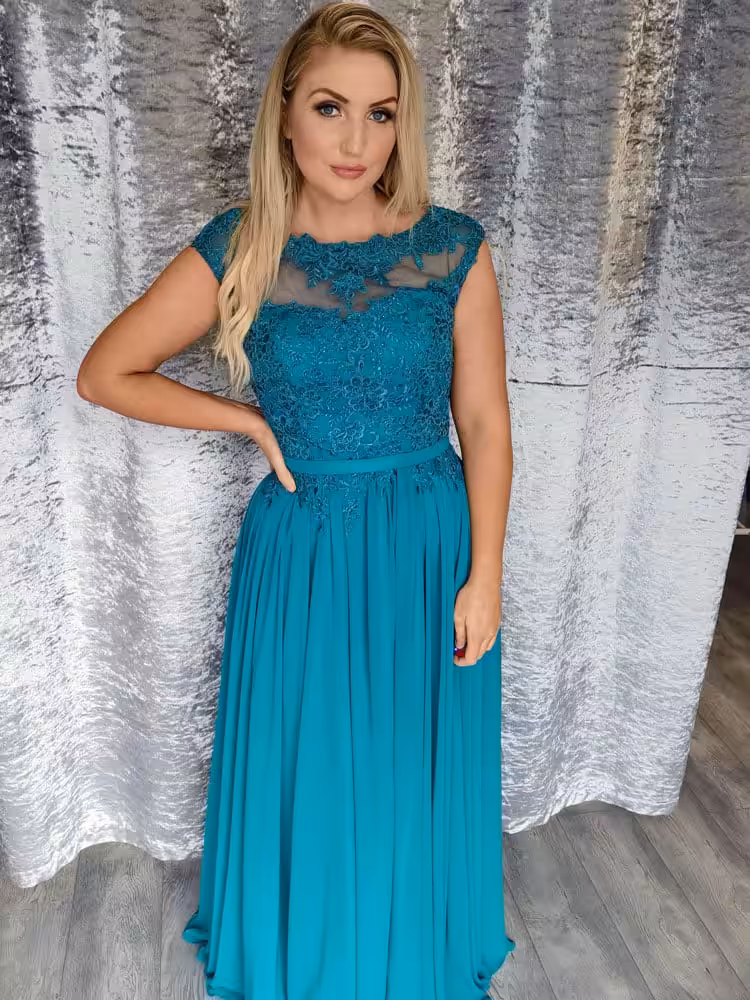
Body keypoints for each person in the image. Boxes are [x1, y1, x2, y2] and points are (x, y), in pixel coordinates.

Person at [76, 2, 515, 997]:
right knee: (313, 756)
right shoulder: (241, 247)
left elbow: (486, 423)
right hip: (303, 542)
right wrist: (246, 423)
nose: (356, 140)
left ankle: (406, 944)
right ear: (284, 113)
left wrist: (486, 571)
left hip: (427, 544)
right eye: (330, 107)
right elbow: (106, 373)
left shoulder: (453, 247)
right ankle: (309, 947)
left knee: (406, 758)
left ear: (403, 124)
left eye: (380, 113)